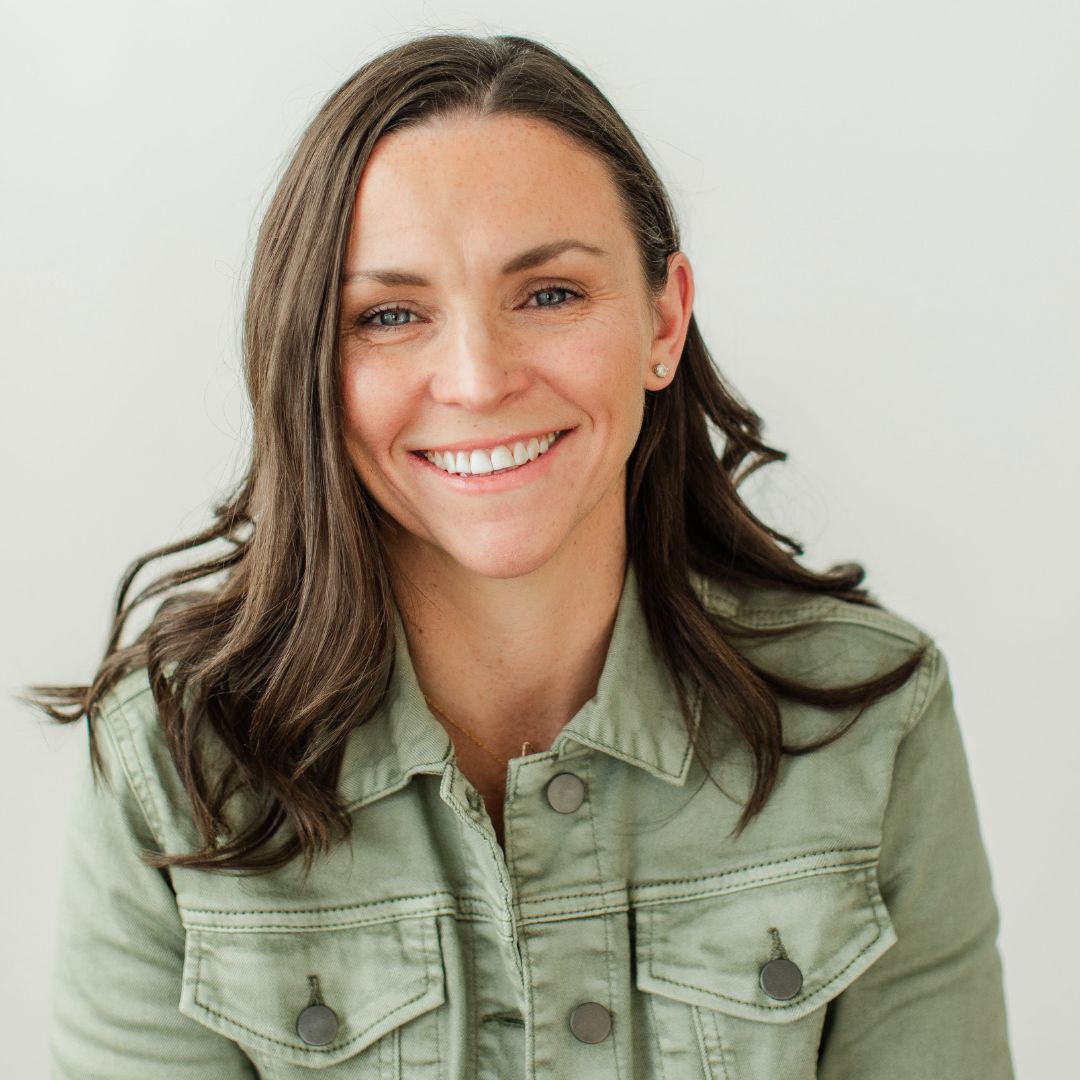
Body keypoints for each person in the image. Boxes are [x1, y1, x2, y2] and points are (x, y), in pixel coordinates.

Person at [31, 31, 1014, 1079]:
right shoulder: (174, 764)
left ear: (664, 320)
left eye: (548, 294)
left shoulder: (869, 723)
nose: (477, 377)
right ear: (311, 359)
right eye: (391, 314)